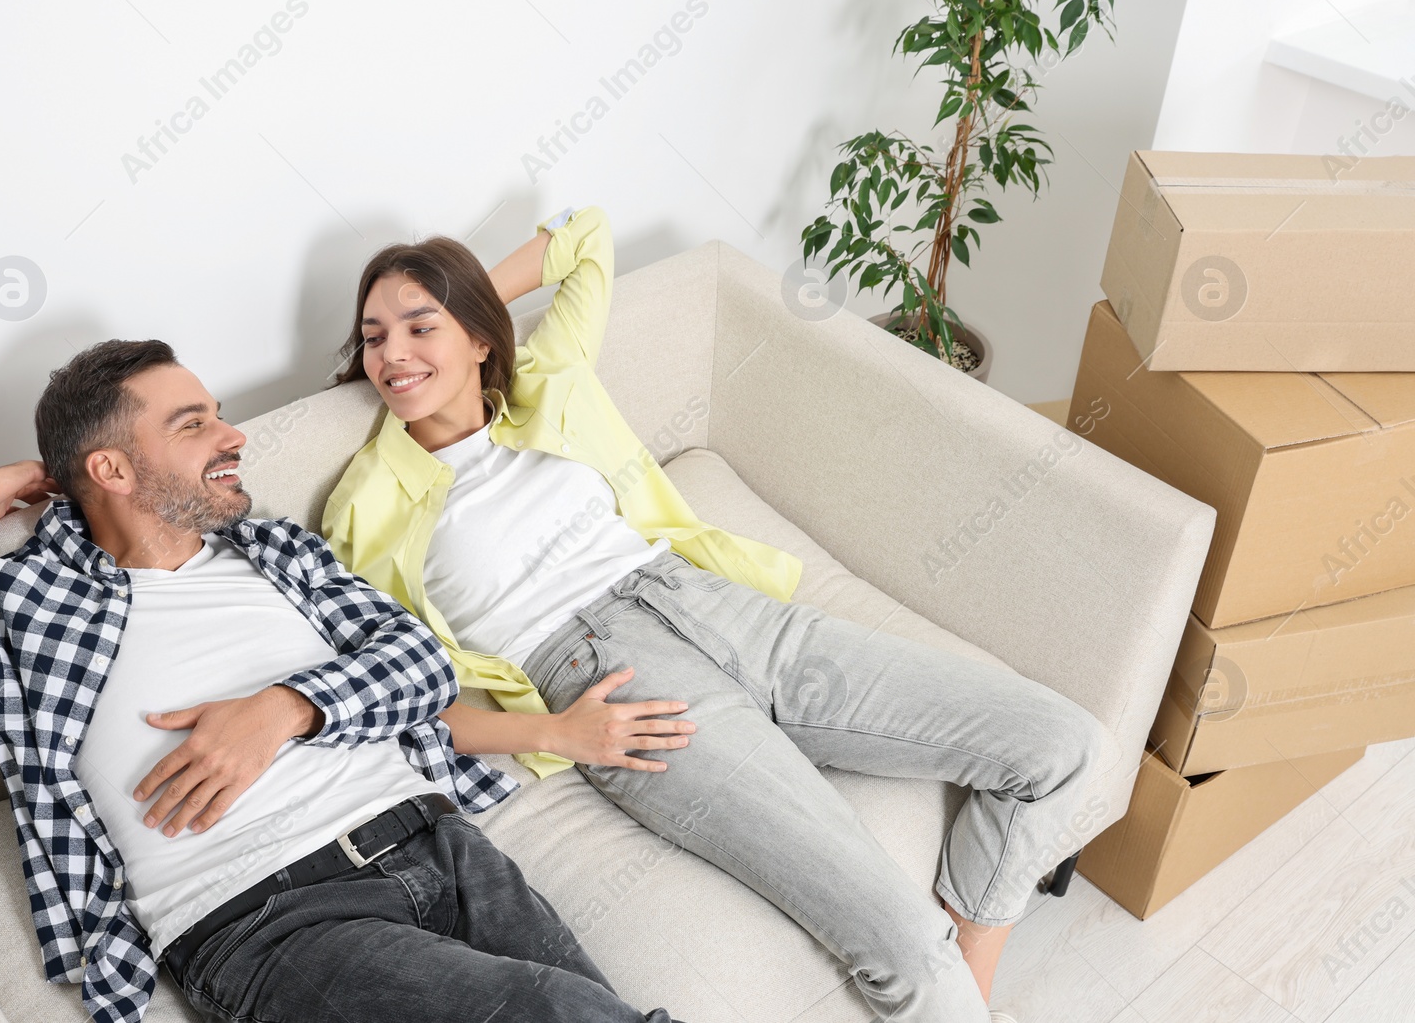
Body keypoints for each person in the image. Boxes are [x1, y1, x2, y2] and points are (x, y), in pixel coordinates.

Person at [321, 205, 1115, 1023]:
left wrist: (458, 293)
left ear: (482, 336)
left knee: (1060, 743)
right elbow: (399, 699)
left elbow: (588, 236)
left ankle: (970, 997)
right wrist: (555, 735)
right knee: (905, 943)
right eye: (374, 336)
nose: (394, 354)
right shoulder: (366, 502)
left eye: (421, 327)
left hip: (718, 606)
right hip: (613, 680)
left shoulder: (547, 380)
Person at [0, 339, 680, 1023]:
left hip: (440, 845)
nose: (234, 437)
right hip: (263, 918)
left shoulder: (277, 552)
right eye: (193, 424)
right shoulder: (11, 606)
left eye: (220, 416)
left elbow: (418, 662)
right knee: (553, 1011)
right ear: (110, 469)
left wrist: (288, 709)